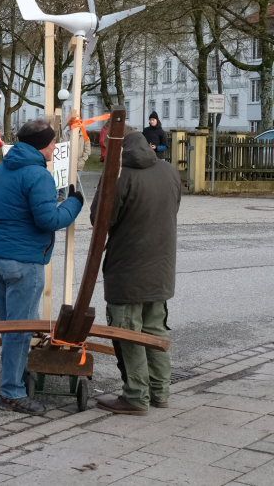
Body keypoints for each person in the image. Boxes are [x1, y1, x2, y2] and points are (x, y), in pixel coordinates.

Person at [0, 118, 84, 415]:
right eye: (52, 143)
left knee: (9, 327)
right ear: (42, 145)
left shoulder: (3, 169)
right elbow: (49, 220)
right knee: (20, 330)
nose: (54, 148)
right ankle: (11, 392)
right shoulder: (38, 175)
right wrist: (74, 203)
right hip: (24, 261)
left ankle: (16, 375)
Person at [91, 131, 181, 415]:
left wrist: (105, 182)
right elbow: (174, 208)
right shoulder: (169, 171)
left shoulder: (120, 177)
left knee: (128, 333)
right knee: (155, 331)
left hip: (127, 271)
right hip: (161, 269)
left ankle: (136, 396)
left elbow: (100, 220)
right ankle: (160, 391)